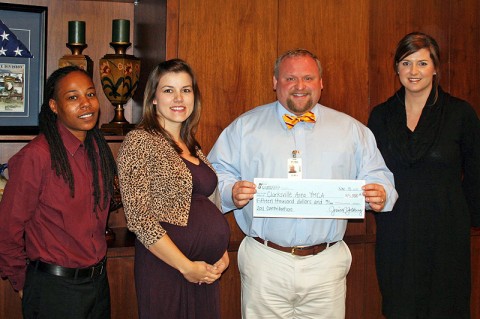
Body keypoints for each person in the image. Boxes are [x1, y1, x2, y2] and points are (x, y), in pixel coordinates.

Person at [208, 48, 398, 318]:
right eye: (289, 78)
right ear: (275, 82)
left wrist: (381, 194)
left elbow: (379, 177)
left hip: (326, 262)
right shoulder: (244, 128)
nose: (299, 86)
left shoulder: (352, 131)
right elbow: (215, 175)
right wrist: (230, 192)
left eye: (308, 78)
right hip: (265, 260)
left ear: (321, 82)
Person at [368, 32, 480, 319]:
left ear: (436, 67)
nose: (413, 72)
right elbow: (370, 170)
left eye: (422, 63)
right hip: (397, 230)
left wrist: (469, 218)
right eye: (406, 63)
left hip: (446, 231)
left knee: (447, 306)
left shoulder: (460, 114)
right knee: (399, 305)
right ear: (396, 68)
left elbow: (477, 172)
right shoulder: (380, 116)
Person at [0, 65, 117, 318]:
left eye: (90, 94)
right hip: (54, 289)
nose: (86, 104)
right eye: (73, 97)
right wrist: (23, 282)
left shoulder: (98, 151)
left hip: (98, 285)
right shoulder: (36, 157)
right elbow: (7, 228)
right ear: (54, 106)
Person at [117, 59, 230, 319]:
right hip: (167, 269)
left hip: (204, 272)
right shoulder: (140, 140)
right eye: (168, 90)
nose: (179, 98)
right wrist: (185, 266)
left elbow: (207, 203)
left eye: (186, 90)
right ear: (153, 98)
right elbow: (139, 219)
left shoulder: (192, 144)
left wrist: (221, 252)